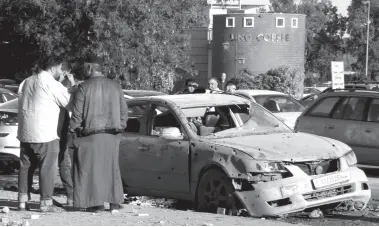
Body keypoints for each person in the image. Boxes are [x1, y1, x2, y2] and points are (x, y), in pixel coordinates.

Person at [70, 55, 128, 213]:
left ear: (90, 68)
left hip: (90, 135)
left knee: (90, 170)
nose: (83, 70)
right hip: (112, 135)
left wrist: (74, 130)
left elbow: (77, 115)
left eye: (84, 68)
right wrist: (120, 127)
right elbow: (124, 112)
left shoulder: (84, 87)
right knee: (111, 169)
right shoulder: (115, 86)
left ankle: (96, 203)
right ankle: (114, 202)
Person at [17, 58, 74, 212]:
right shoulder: (52, 84)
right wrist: (72, 85)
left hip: (25, 132)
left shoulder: (26, 82)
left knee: (25, 168)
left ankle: (22, 201)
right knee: (47, 168)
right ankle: (45, 203)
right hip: (45, 133)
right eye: (61, 69)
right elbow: (70, 103)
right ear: (56, 67)